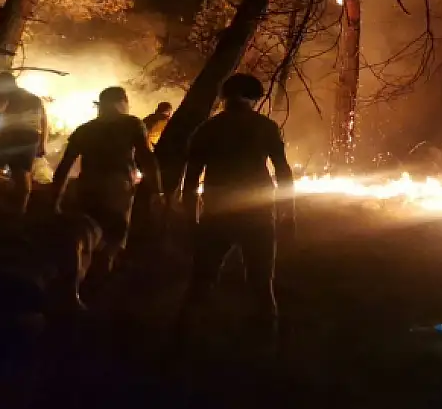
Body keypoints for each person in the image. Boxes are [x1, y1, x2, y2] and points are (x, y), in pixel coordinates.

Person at [176, 73, 295, 343]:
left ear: (224, 97)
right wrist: (289, 212)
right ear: (254, 98)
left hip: (217, 213)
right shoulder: (265, 127)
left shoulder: (207, 129)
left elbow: (191, 180)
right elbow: (283, 170)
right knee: (262, 284)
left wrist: (190, 219)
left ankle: (184, 340)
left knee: (201, 281)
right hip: (258, 214)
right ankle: (266, 345)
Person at [50, 86, 163, 303]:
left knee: (85, 238)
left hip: (87, 187)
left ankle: (73, 292)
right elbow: (147, 158)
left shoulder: (85, 129)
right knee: (111, 242)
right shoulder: (132, 124)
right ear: (122, 102)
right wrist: (157, 190)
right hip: (117, 190)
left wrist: (56, 199)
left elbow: (64, 166)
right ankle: (96, 296)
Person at [0, 72, 48, 213]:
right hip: (31, 138)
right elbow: (44, 121)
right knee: (22, 172)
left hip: (10, 135)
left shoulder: (6, 94)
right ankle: (20, 211)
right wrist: (42, 144)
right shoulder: (34, 98)